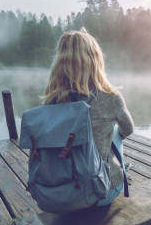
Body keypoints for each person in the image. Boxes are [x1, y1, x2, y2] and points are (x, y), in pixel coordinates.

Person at [42, 29, 134, 206]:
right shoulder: (110, 96)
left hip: (60, 194)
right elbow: (128, 130)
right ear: (95, 60)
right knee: (115, 130)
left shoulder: (52, 99)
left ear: (60, 62)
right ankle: (116, 169)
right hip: (100, 194)